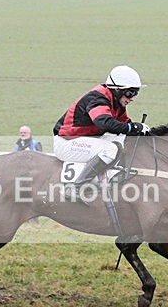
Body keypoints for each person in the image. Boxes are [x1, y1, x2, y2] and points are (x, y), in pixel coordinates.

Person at [53, 65, 149, 204]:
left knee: (121, 139)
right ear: (117, 90)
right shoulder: (98, 98)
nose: (132, 98)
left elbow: (124, 125)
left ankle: (114, 176)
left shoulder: (117, 102)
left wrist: (142, 131)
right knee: (110, 149)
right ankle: (76, 188)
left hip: (84, 139)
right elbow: (104, 123)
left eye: (135, 93)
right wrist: (132, 127)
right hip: (66, 143)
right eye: (129, 93)